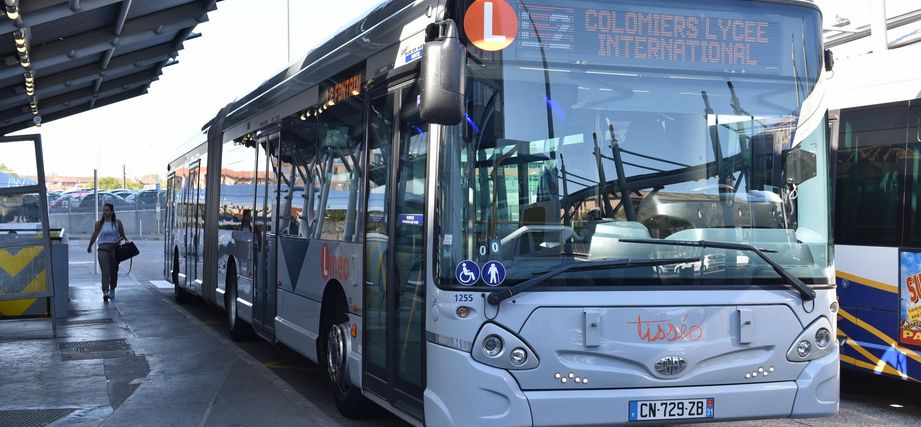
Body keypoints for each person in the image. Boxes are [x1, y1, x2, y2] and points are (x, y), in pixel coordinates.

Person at [86, 203, 127, 301]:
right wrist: (90, 245)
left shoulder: (117, 222)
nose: (105, 212)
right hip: (103, 249)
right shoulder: (99, 223)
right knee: (105, 271)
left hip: (115, 249)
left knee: (114, 271)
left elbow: (122, 235)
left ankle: (112, 288)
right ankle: (105, 291)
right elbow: (94, 235)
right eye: (104, 210)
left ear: (112, 212)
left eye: (107, 210)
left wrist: (118, 240)